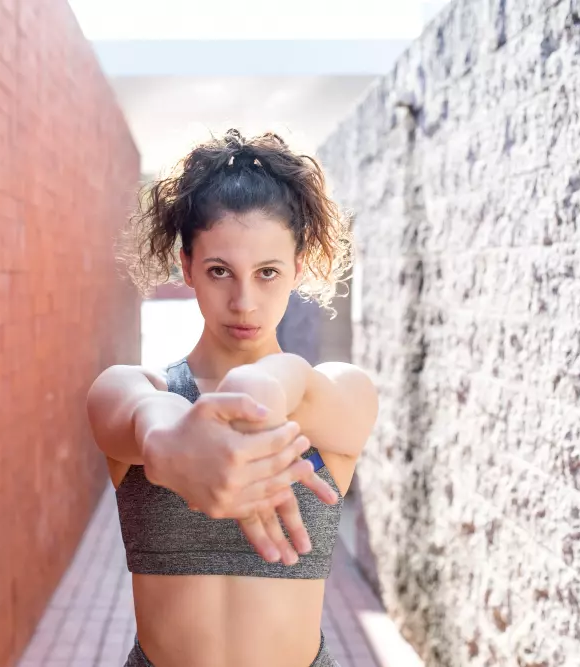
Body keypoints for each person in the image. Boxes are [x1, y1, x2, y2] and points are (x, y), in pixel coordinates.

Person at [86, 129, 379, 667]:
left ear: (297, 268)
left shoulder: (340, 393)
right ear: (188, 266)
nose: (244, 301)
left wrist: (259, 391)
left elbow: (297, 382)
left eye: (267, 273)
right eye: (220, 271)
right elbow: (136, 412)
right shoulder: (135, 390)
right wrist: (169, 439)